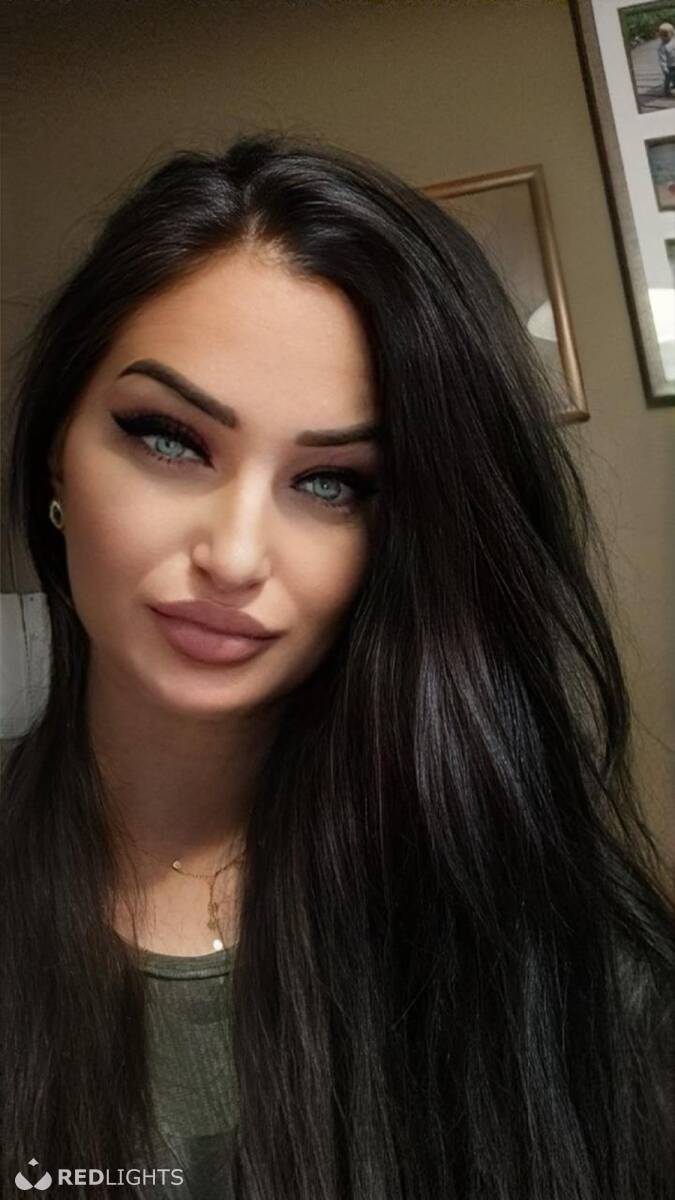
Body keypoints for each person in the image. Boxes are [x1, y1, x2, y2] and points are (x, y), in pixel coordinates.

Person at [2, 132, 674, 1200]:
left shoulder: (562, 966)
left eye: (332, 484)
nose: (233, 557)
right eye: (169, 438)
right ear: (56, 451)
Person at [657, 22, 675, 97]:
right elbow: (662, 59)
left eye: (666, 35)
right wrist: (664, 68)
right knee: (668, 78)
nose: (664, 37)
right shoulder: (662, 47)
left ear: (672, 34)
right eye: (662, 36)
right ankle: (666, 90)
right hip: (669, 66)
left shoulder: (673, 42)